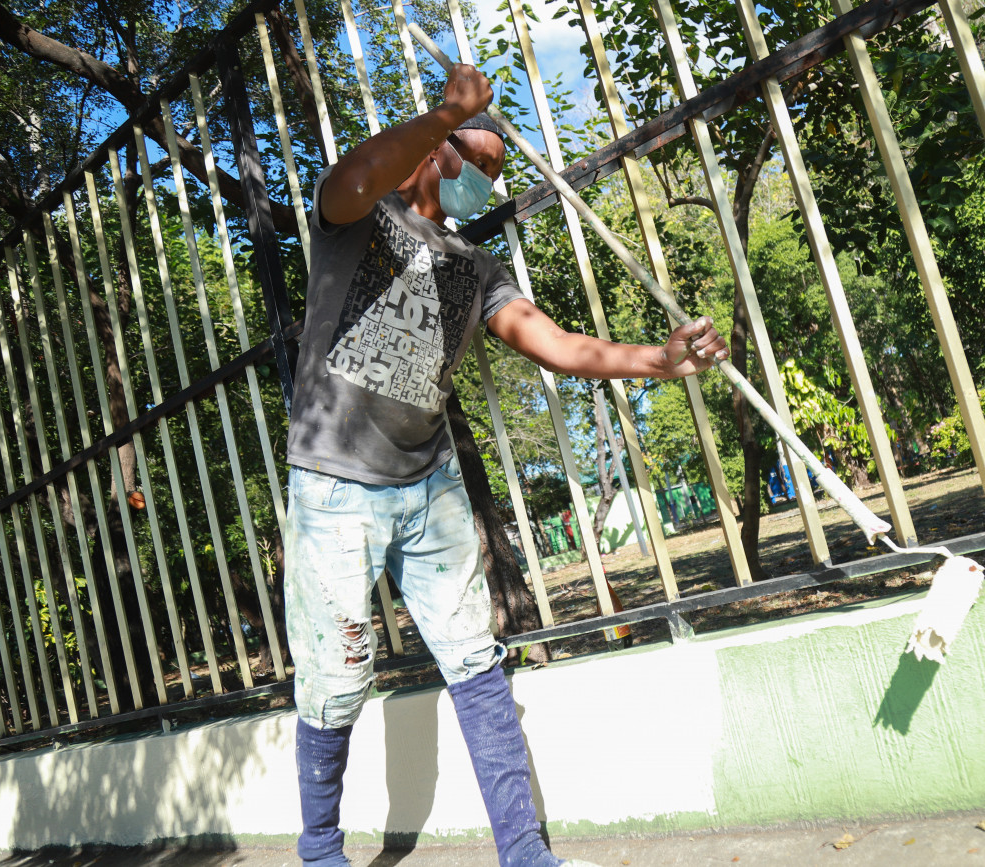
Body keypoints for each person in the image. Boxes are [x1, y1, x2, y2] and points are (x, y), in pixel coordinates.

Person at [284, 63, 728, 867]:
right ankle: (320, 852)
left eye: (494, 171)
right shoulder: (357, 218)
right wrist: (442, 112)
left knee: (475, 661)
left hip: (428, 484)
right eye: (475, 160)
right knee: (336, 679)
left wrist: (660, 360)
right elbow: (351, 176)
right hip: (333, 481)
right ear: (436, 150)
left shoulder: (477, 268)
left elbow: (557, 345)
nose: (482, 181)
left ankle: (525, 852)